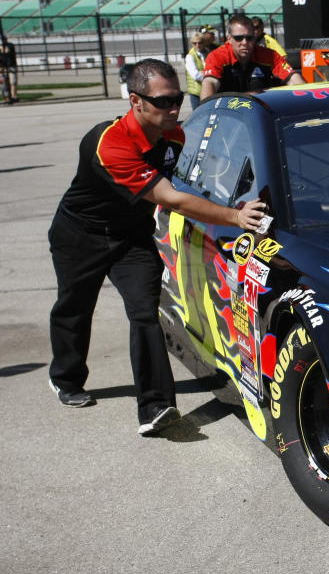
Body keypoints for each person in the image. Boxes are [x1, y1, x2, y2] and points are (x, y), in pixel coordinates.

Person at [48, 59, 266, 435]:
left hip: (130, 235)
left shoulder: (174, 138)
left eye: (177, 98)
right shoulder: (109, 143)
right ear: (136, 101)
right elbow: (172, 198)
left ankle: (156, 406)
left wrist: (238, 198)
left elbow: (192, 184)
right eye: (163, 101)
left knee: (145, 312)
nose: (174, 108)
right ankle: (66, 379)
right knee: (75, 307)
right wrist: (233, 216)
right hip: (80, 235)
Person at [201, 14, 304, 101]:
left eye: (249, 38)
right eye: (239, 38)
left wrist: (306, 98)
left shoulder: (269, 55)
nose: (244, 43)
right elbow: (210, 83)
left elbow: (293, 78)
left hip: (261, 112)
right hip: (228, 114)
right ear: (229, 39)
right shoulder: (216, 56)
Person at [184, 32, 206, 110]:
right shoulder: (190, 56)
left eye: (200, 42)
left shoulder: (207, 53)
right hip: (196, 92)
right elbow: (196, 75)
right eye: (194, 43)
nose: (197, 45)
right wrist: (210, 75)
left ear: (204, 43)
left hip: (206, 90)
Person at [1, 36, 18, 104]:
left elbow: (7, 51)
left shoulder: (10, 45)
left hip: (11, 65)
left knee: (12, 82)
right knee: (3, 83)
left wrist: (2, 48)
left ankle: (14, 96)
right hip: (3, 67)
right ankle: (7, 97)